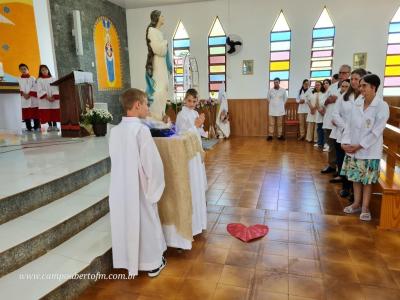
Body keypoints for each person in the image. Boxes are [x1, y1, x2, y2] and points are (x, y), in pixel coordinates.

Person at [109, 88, 167, 277]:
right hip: (139, 186)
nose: (147, 107)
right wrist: (154, 187)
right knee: (146, 222)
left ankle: (129, 261)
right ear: (137, 105)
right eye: (146, 104)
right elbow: (152, 164)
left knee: (126, 222)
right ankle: (152, 263)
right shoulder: (141, 130)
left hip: (120, 187)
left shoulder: (115, 131)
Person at [341, 74, 389, 221]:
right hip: (353, 148)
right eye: (360, 86)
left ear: (373, 87)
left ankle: (365, 207)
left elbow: (376, 131)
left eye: (364, 86)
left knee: (367, 181)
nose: (361, 89)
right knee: (356, 178)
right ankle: (356, 203)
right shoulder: (358, 102)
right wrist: (345, 142)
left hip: (369, 150)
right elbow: (349, 125)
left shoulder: (382, 106)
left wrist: (360, 146)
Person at [175, 88, 208, 236]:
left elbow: (198, 131)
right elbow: (182, 133)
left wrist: (201, 127)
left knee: (199, 177)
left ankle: (200, 214)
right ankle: (192, 219)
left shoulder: (194, 113)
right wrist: (196, 125)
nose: (192, 103)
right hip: (188, 150)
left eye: (194, 101)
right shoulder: (181, 115)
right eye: (189, 100)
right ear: (184, 100)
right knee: (192, 179)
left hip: (196, 147)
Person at [331, 70, 367, 199]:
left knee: (356, 164)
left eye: (356, 79)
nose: (353, 82)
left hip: (359, 136)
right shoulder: (344, 96)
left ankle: (355, 192)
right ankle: (346, 187)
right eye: (352, 79)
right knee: (343, 162)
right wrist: (346, 127)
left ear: (363, 80)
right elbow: (335, 114)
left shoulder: (366, 96)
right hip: (343, 134)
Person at [321, 65, 351, 174]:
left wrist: (337, 98)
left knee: (341, 147)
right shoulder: (332, 86)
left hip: (342, 123)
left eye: (344, 73)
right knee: (331, 146)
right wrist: (328, 100)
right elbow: (322, 101)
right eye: (340, 72)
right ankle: (332, 165)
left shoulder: (350, 87)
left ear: (349, 74)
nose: (341, 75)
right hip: (329, 120)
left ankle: (341, 171)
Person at [145, 10, 172, 120]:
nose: (164, 17)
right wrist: (165, 42)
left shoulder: (159, 32)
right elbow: (158, 50)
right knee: (158, 90)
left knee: (164, 88)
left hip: (162, 64)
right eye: (162, 16)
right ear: (157, 18)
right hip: (158, 64)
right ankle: (155, 118)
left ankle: (160, 116)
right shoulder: (152, 31)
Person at [36, 65, 60, 132]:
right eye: (43, 70)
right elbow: (39, 90)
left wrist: (54, 97)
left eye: (46, 69)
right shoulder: (39, 80)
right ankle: (49, 126)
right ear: (40, 72)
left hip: (53, 99)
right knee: (48, 112)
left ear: (48, 70)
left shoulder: (53, 79)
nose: (44, 71)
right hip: (45, 100)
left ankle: (55, 126)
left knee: (54, 112)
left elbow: (56, 88)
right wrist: (47, 97)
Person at [17, 63, 40, 131]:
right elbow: (18, 88)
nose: (23, 70)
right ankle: (28, 127)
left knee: (35, 112)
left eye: (25, 69)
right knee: (26, 113)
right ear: (20, 70)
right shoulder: (18, 79)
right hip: (24, 98)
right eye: (21, 69)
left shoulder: (32, 78)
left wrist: (29, 94)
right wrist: (24, 94)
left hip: (32, 98)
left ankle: (36, 126)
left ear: (28, 69)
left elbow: (35, 86)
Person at [313, 81, 326, 150]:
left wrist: (321, 111)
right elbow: (315, 104)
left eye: (318, 85)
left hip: (323, 112)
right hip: (318, 113)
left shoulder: (324, 94)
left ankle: (324, 143)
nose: (317, 86)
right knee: (319, 128)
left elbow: (323, 104)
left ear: (321, 86)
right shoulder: (314, 93)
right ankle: (319, 142)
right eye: (316, 85)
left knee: (324, 129)